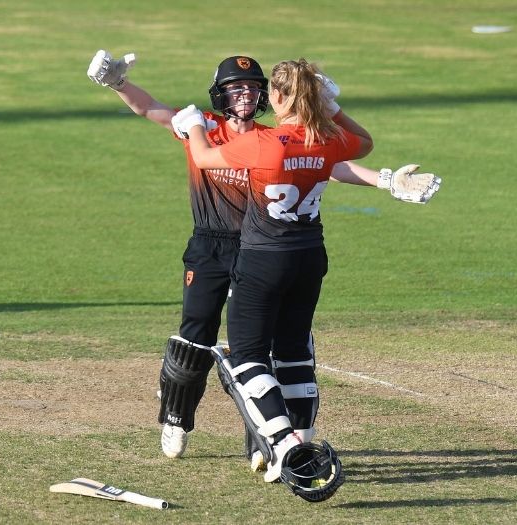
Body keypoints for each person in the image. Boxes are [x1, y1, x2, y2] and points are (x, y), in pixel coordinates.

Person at [86, 50, 441, 463]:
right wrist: (118, 84)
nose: (245, 95)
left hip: (257, 249)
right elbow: (150, 109)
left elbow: (330, 166)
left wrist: (383, 180)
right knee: (195, 336)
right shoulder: (203, 126)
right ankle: (177, 419)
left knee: (256, 348)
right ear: (220, 93)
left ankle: (263, 442)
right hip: (211, 246)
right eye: (236, 88)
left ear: (266, 97)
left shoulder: (267, 137)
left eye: (254, 88)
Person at [172, 58, 380, 493]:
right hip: (310, 258)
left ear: (278, 97)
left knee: (248, 357)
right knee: (293, 352)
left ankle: (285, 446)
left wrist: (193, 125)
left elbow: (206, 156)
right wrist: (333, 107)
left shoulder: (267, 142)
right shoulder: (326, 139)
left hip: (264, 259)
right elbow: (364, 143)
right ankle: (304, 438)